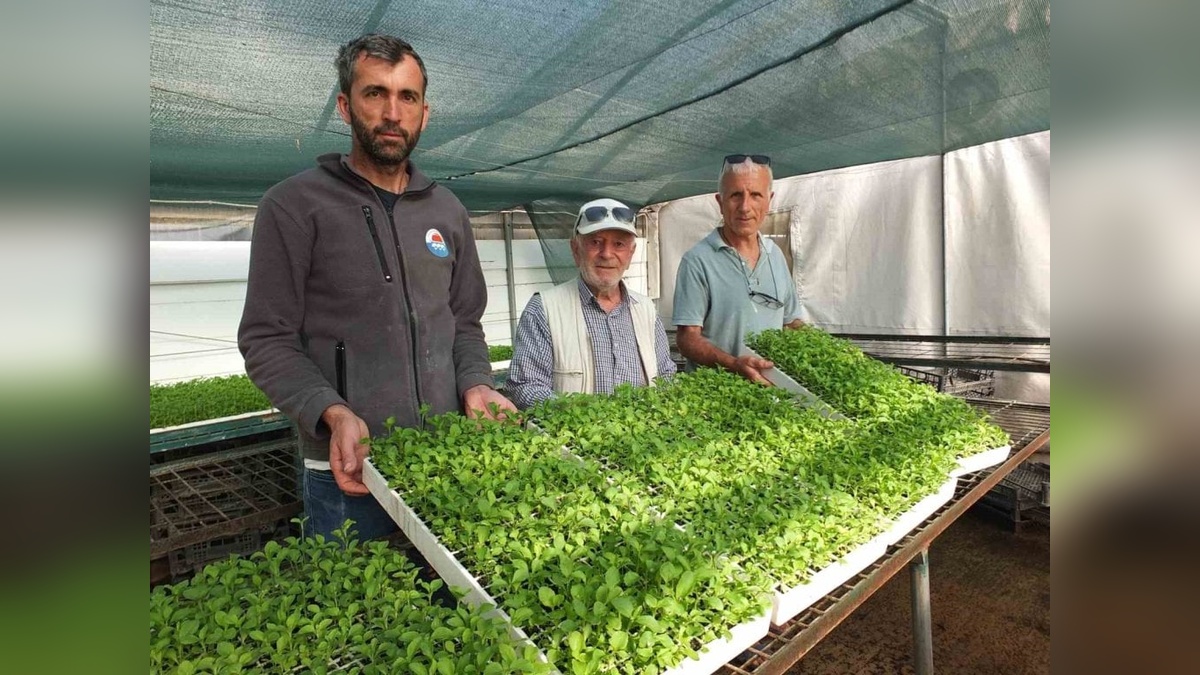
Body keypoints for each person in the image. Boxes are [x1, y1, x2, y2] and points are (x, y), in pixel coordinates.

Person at [237, 34, 515, 540]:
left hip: (445, 457)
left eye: (407, 97)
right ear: (345, 106)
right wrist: (332, 411)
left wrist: (476, 382)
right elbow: (265, 338)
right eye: (375, 94)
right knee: (362, 615)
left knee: (459, 606)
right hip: (350, 472)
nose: (392, 112)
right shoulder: (294, 206)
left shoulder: (446, 211)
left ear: (424, 113)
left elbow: (465, 319)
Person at [506, 198, 676, 408]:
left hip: (642, 437)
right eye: (595, 242)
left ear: (630, 255)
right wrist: (583, 413)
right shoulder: (543, 310)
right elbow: (525, 386)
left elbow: (665, 373)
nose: (606, 254)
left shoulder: (646, 309)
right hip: (573, 439)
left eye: (619, 244)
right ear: (576, 250)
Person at [672, 154, 804, 385]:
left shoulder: (776, 256)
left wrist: (836, 352)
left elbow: (792, 323)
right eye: (735, 195)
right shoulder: (697, 261)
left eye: (755, 195)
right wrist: (734, 365)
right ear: (720, 202)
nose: (745, 207)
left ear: (769, 200)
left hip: (770, 394)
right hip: (713, 398)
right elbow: (687, 340)